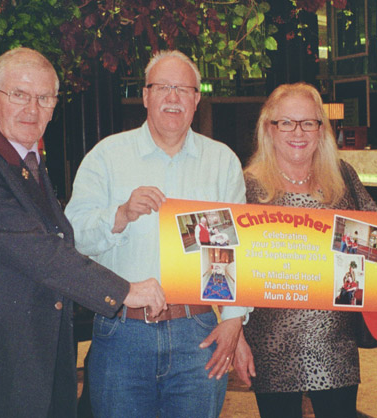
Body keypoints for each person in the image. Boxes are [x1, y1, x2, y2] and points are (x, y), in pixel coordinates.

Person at [0, 47, 166, 418]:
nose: (32, 109)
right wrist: (124, 290)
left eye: (44, 98)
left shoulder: (25, 159)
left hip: (32, 363)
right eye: (19, 94)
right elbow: (38, 250)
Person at [64, 50, 252, 418]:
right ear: (146, 95)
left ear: (197, 99)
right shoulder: (106, 156)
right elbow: (73, 238)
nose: (173, 97)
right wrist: (120, 215)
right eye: (162, 87)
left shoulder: (222, 161)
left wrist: (233, 320)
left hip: (197, 331)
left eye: (183, 89)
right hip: (121, 332)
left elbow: (237, 251)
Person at [233, 82, 377, 418]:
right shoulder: (245, 185)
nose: (298, 132)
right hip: (271, 341)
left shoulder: (341, 176)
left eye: (309, 122)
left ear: (321, 129)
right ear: (269, 128)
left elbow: (372, 242)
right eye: (286, 122)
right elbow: (228, 267)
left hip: (333, 339)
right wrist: (236, 337)